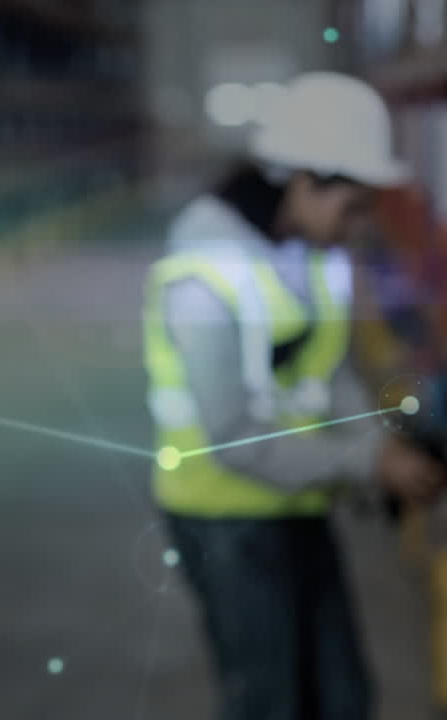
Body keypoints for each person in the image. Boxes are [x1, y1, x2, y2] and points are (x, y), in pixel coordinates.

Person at [142, 71, 446, 720]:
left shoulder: (310, 247)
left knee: (342, 699)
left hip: (297, 501)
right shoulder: (204, 272)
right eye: (352, 206)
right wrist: (369, 463)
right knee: (268, 703)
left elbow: (326, 373)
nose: (358, 225)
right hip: (224, 519)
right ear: (305, 180)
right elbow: (232, 437)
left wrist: (378, 446)